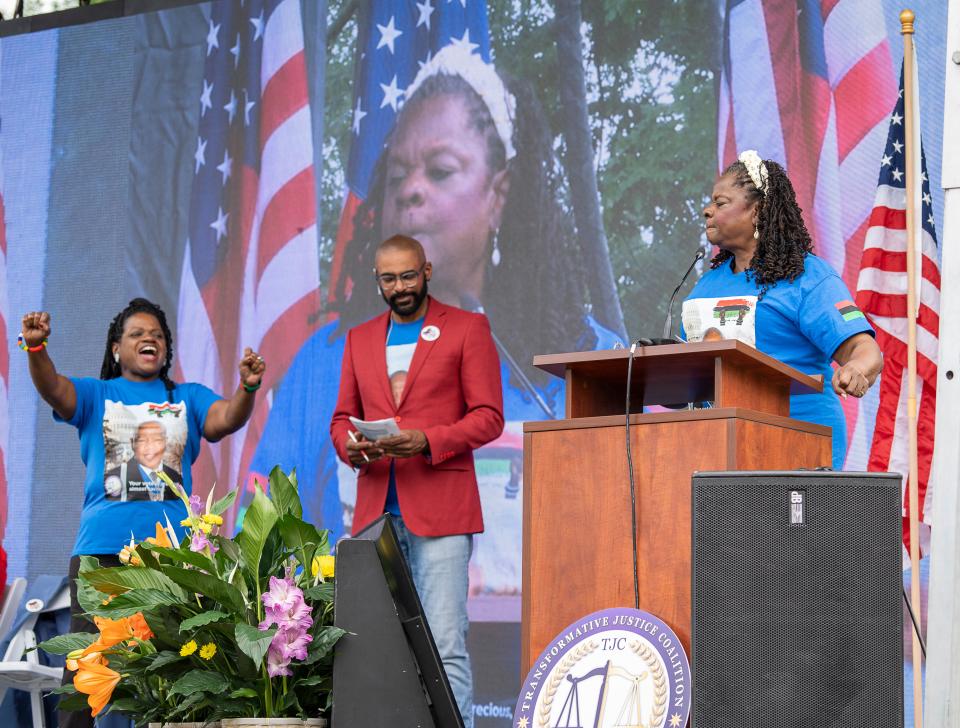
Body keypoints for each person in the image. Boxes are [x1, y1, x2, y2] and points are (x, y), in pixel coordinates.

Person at [250, 44, 619, 585]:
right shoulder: (328, 363)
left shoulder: (589, 362)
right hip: (368, 661)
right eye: (397, 176)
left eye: (440, 170)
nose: (411, 191)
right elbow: (260, 547)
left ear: (499, 196)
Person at [20, 297, 265, 728]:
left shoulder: (185, 398)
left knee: (170, 667)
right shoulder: (99, 395)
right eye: (136, 334)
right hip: (102, 553)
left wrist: (246, 388)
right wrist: (36, 350)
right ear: (116, 349)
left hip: (170, 557)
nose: (148, 339)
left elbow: (225, 419)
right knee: (90, 668)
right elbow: (54, 388)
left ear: (166, 350)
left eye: (156, 335)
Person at [330, 234, 504, 727]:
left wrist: (425, 440)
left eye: (409, 275)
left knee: (444, 644)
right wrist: (351, 445)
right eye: (390, 278)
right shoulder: (359, 338)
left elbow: (489, 416)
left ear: (427, 270)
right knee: (380, 651)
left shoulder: (467, 328)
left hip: (441, 512)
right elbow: (342, 419)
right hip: (375, 515)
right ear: (377, 281)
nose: (401, 286)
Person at [682, 150, 883, 469]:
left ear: (757, 211)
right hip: (721, 451)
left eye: (721, 204)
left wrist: (857, 370)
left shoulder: (806, 278)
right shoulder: (704, 287)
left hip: (802, 443)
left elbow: (864, 348)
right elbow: (682, 374)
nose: (707, 211)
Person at [103, 420, 183, 501]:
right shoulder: (115, 477)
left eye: (157, 440)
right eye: (142, 440)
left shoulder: (176, 478)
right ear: (132, 443)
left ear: (166, 442)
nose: (150, 446)